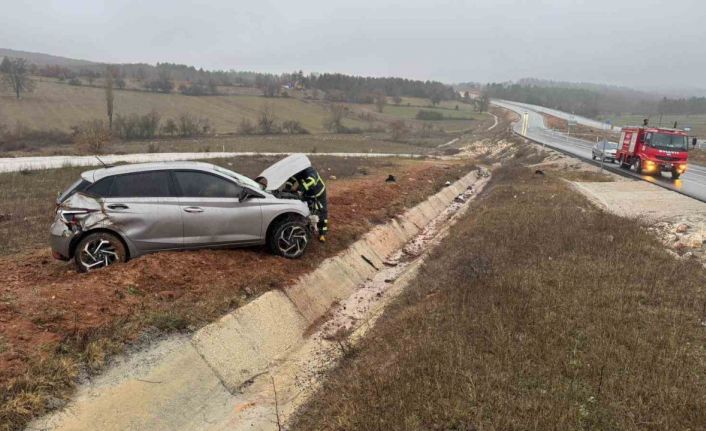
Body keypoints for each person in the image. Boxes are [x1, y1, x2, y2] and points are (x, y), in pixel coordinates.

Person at [285, 166, 328, 242]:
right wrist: (287, 188)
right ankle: (307, 227)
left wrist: (300, 189)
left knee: (322, 212)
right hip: (306, 193)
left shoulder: (310, 170)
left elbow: (311, 181)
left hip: (319, 193)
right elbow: (292, 179)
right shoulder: (298, 170)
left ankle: (322, 234)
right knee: (304, 209)